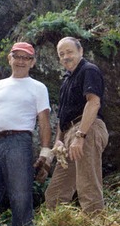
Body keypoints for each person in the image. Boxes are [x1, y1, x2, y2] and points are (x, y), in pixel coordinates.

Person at [0, 42, 52, 226]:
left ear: (33, 62)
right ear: (10, 58)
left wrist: (45, 155)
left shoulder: (38, 87)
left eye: (26, 58)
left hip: (19, 143)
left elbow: (44, 121)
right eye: (17, 56)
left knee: (21, 197)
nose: (21, 61)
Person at [45, 37, 108, 214]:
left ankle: (97, 225)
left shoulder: (89, 70)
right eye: (61, 54)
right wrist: (58, 141)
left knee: (87, 185)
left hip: (87, 128)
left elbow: (93, 103)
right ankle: (62, 225)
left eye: (69, 52)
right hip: (68, 135)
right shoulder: (66, 81)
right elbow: (62, 116)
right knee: (54, 194)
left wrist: (81, 136)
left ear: (81, 51)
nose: (66, 57)